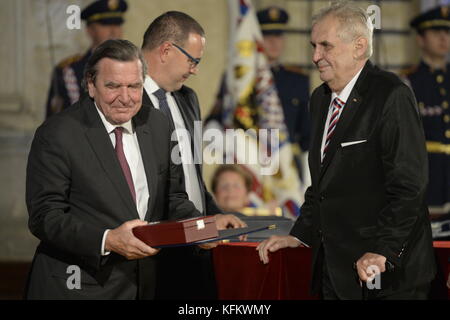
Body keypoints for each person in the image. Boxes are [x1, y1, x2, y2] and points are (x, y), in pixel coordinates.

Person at [25, 39, 243, 300]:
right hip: (78, 288)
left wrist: (203, 228)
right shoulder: (58, 133)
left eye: (134, 86)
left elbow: (173, 198)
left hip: (143, 286)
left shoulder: (157, 124)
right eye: (113, 86)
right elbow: (45, 216)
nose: (125, 98)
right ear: (91, 86)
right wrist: (107, 240)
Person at [257, 1, 436, 300]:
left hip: (386, 277)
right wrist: (298, 236)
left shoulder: (391, 95)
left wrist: (382, 251)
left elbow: (409, 187)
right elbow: (323, 187)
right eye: (313, 45)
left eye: (325, 46)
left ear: (359, 46)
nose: (315, 56)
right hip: (333, 274)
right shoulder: (319, 99)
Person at [140, 11, 246, 300]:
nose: (195, 70)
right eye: (193, 61)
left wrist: (216, 215)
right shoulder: (129, 104)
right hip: (154, 256)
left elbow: (191, 179)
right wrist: (199, 226)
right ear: (166, 51)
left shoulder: (188, 99)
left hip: (196, 249)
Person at [403, 5, 450, 238]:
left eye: (447, 32)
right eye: (436, 32)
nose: (444, 37)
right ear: (421, 39)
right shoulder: (409, 81)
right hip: (429, 178)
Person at [46, 0, 128, 118]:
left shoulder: (132, 67)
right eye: (105, 24)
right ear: (90, 30)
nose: (113, 31)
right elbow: (54, 127)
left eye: (117, 24)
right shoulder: (69, 72)